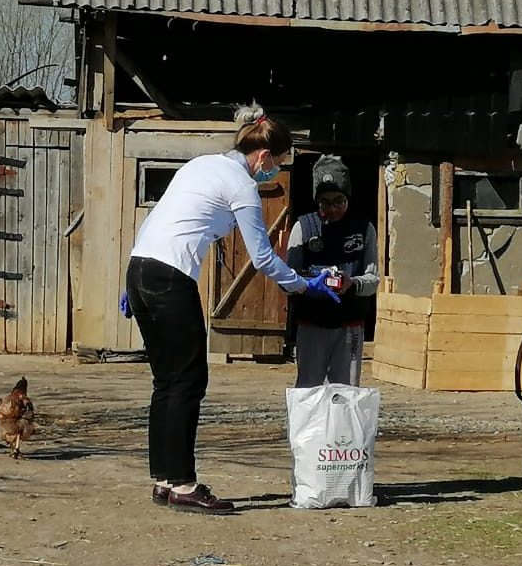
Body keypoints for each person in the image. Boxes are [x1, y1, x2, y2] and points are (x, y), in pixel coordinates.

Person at [122, 103, 340, 514]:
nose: (276, 170)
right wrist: (303, 285)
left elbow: (159, 218)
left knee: (167, 380)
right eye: (279, 162)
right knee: (188, 380)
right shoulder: (240, 184)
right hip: (170, 277)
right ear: (263, 156)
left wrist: (131, 283)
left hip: (141, 268)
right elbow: (263, 258)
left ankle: (165, 479)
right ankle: (185, 485)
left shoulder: (199, 166)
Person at [287, 154, 379, 387]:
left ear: (348, 198)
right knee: (308, 389)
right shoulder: (303, 227)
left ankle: (343, 426)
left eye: (339, 201)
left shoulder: (364, 228)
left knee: (346, 390)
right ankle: (305, 426)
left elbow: (373, 279)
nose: (333, 208)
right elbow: (288, 277)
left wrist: (353, 283)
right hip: (311, 324)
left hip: (350, 325)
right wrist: (311, 284)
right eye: (325, 202)